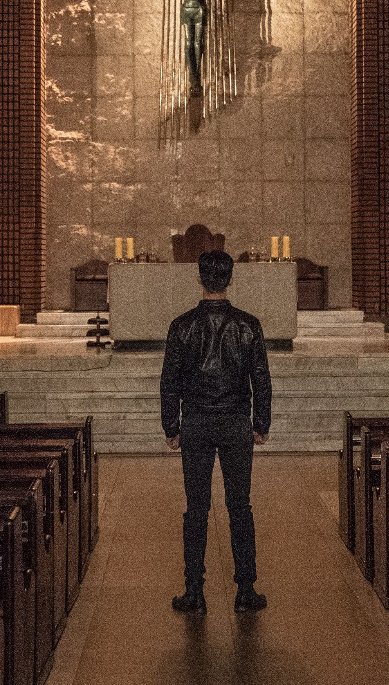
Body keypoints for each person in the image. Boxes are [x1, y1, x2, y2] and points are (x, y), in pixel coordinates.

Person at [160, 249, 272, 615]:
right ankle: (245, 590)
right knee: (240, 506)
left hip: (196, 421)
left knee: (196, 509)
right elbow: (261, 379)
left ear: (200, 278)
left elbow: (169, 381)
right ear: (230, 279)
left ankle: (194, 591)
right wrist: (261, 423)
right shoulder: (248, 325)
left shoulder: (182, 325)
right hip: (235, 421)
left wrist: (171, 426)